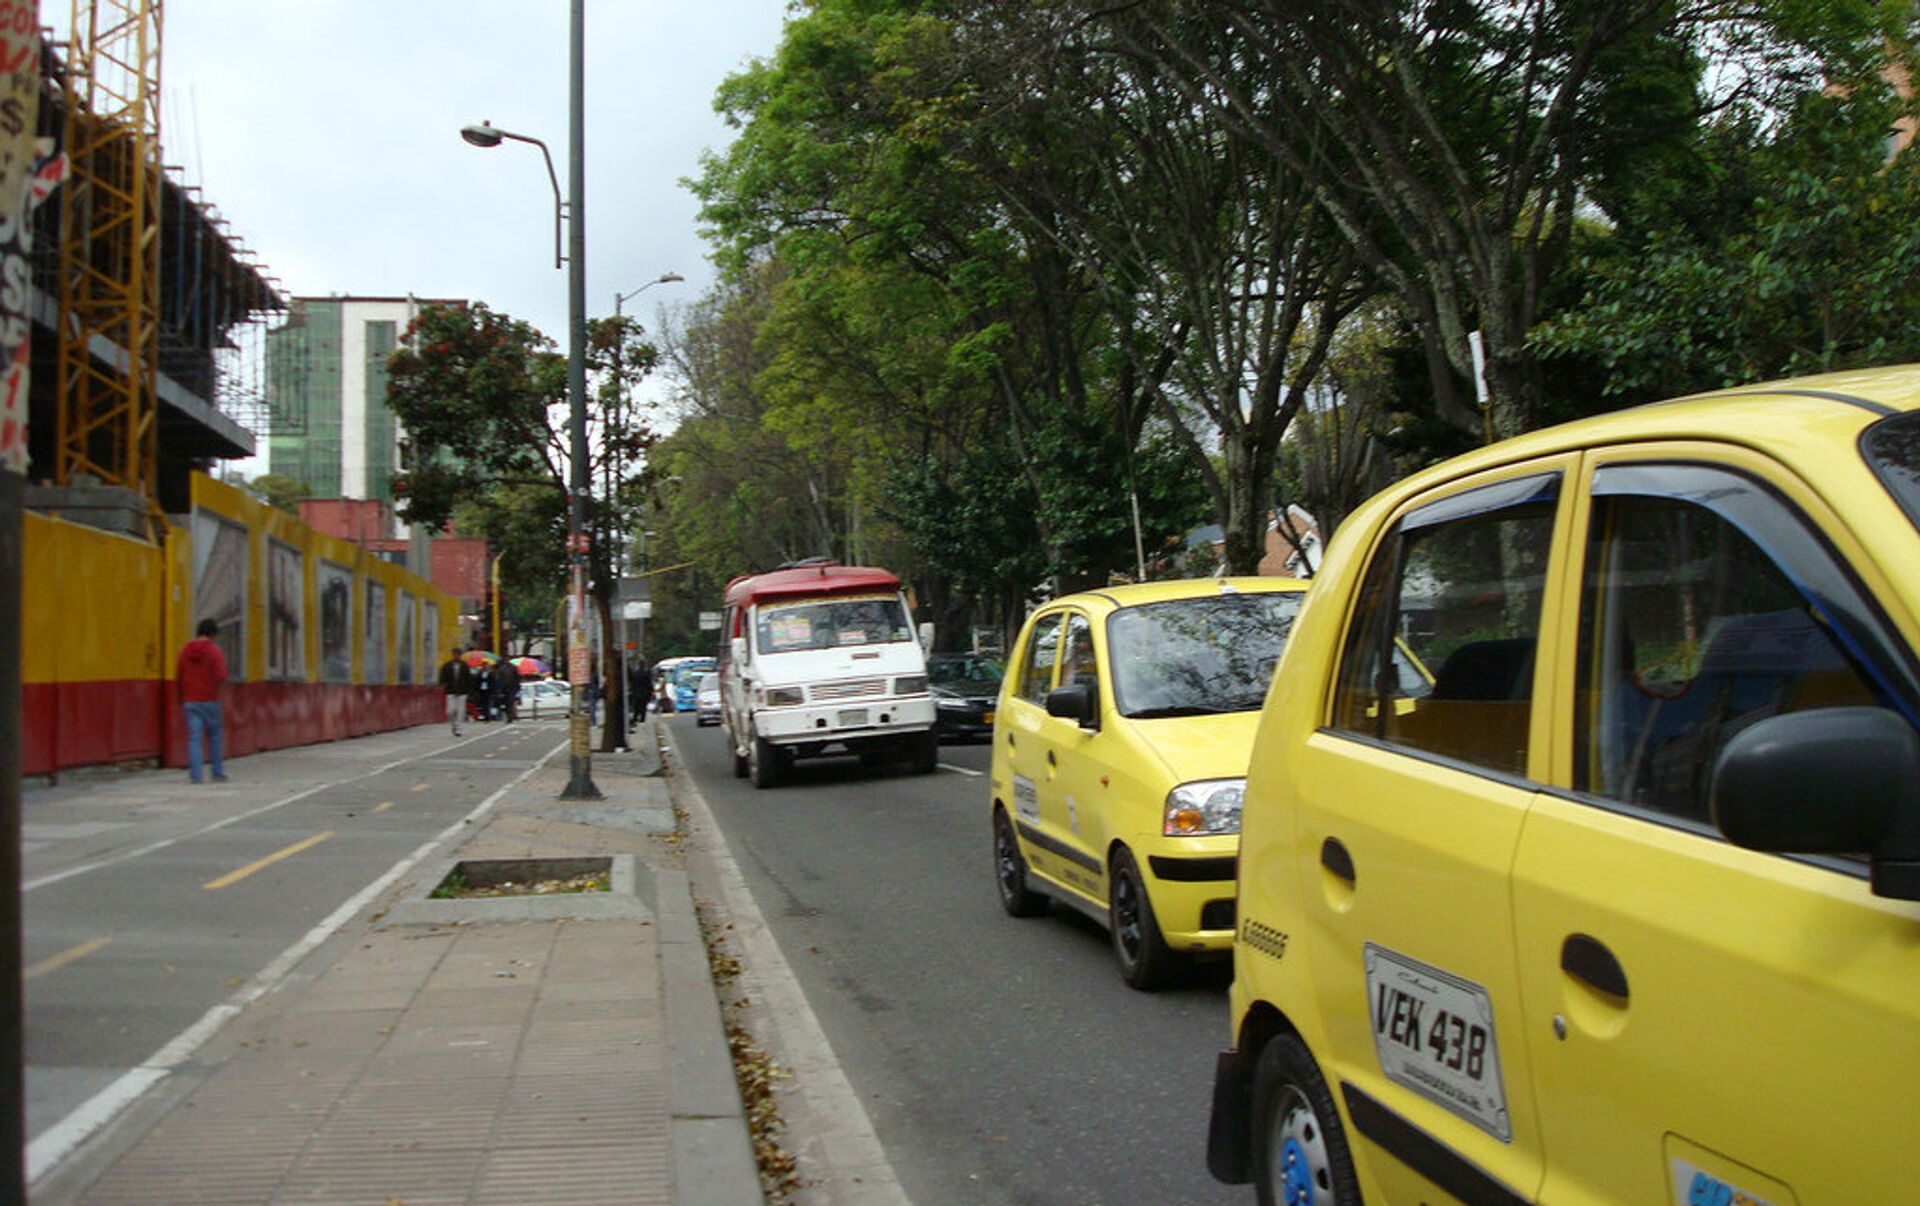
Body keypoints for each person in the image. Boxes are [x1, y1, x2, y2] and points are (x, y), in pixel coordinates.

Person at [178, 618, 229, 783]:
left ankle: (196, 775)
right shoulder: (214, 651)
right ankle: (217, 773)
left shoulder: (185, 650)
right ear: (213, 634)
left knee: (194, 738)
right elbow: (221, 675)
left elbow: (179, 674)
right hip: (209, 700)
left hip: (190, 700)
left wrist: (182, 697)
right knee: (214, 738)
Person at [439, 645, 471, 736]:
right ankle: (454, 725)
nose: (456, 656)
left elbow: (469, 679)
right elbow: (442, 677)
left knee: (460, 711)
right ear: (452, 655)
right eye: (455, 654)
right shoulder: (447, 666)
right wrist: (442, 684)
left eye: (458, 654)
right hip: (451, 691)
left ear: (460, 655)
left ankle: (458, 728)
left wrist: (469, 691)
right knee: (450, 711)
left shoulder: (465, 666)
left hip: (462, 691)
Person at [627, 656, 650, 730]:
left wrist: (631, 690)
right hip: (644, 693)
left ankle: (635, 717)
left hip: (636, 692)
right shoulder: (646, 674)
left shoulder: (635, 674)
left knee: (636, 706)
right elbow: (649, 684)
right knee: (643, 706)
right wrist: (650, 692)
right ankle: (642, 718)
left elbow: (632, 683)